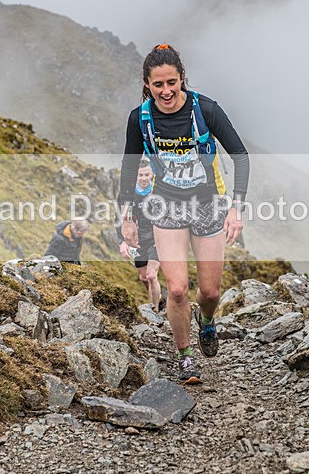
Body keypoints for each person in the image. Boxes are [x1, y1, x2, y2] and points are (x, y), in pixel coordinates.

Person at [119, 43, 249, 384]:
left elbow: (240, 155)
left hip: (208, 206)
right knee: (176, 289)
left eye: (172, 83)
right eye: (158, 84)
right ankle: (185, 357)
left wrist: (235, 207)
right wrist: (128, 215)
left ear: (182, 79)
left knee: (209, 292)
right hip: (166, 206)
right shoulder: (140, 118)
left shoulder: (205, 109)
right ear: (147, 83)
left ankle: (207, 322)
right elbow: (129, 166)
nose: (166, 91)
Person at [116, 159, 164, 313]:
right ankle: (161, 299)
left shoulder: (158, 191)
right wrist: (122, 241)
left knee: (151, 276)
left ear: (152, 175)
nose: (144, 178)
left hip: (156, 239)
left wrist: (165, 236)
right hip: (138, 240)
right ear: (135, 176)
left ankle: (156, 312)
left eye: (147, 175)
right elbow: (119, 220)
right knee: (144, 278)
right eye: (140, 175)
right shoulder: (127, 196)